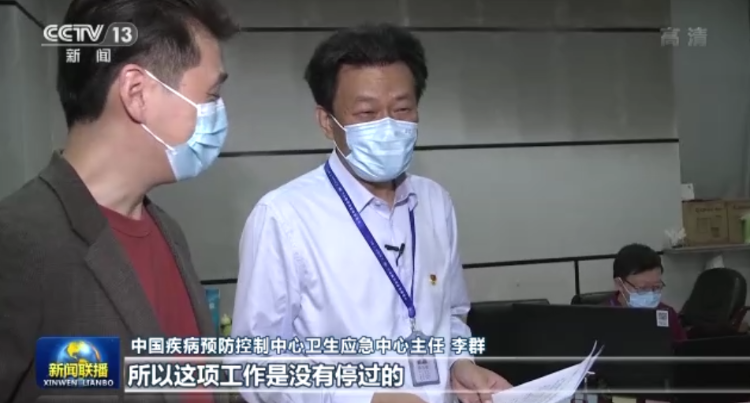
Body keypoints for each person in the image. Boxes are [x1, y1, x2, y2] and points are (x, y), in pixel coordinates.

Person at [232, 23, 511, 403]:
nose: (388, 127)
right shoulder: (284, 217)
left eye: (402, 109)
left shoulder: (435, 203)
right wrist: (364, 397)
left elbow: (450, 316)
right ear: (327, 122)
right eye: (366, 113)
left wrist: (459, 363)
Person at [0, 0, 236, 402]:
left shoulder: (169, 233)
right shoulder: (16, 246)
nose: (219, 113)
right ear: (136, 93)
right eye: (211, 94)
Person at [607, 243, 687, 342]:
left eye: (656, 287)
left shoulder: (667, 314)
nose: (650, 294)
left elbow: (683, 349)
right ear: (619, 284)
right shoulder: (600, 318)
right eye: (643, 288)